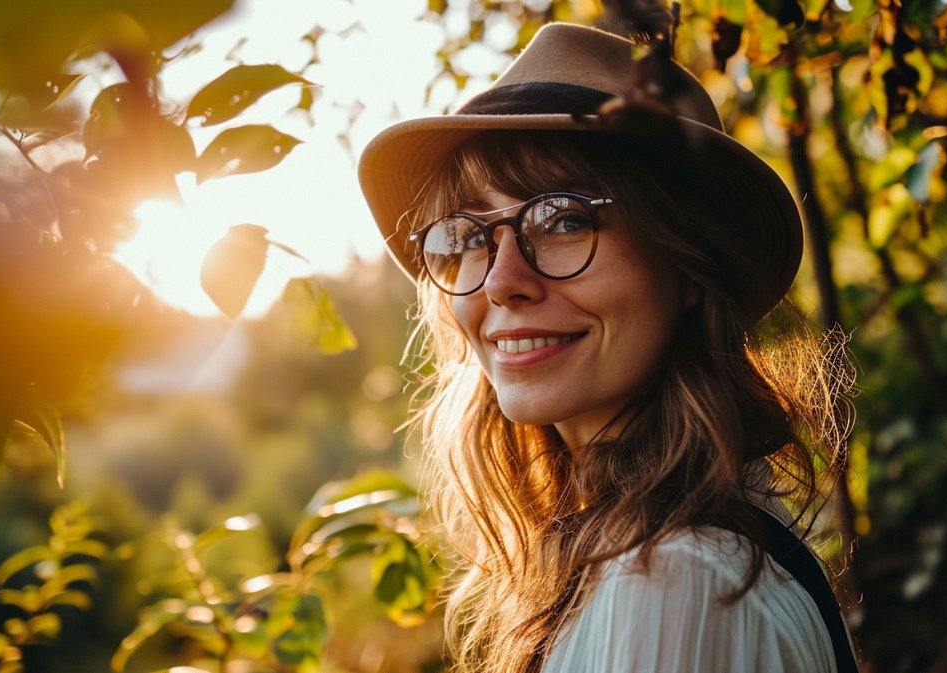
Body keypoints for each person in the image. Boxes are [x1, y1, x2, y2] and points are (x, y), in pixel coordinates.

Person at [358, 19, 858, 673]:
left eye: (565, 218)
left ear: (685, 263)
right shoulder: (656, 558)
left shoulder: (674, 585)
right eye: (471, 233)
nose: (504, 281)